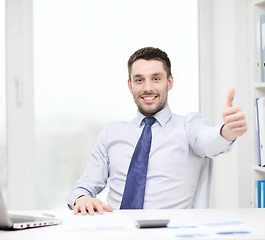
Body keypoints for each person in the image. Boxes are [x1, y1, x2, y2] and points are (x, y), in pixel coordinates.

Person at [68, 47, 247, 215]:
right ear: (130, 85)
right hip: (118, 232)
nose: (148, 88)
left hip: (169, 233)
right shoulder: (111, 133)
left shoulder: (189, 125)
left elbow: (209, 141)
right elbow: (84, 186)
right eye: (139, 80)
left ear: (169, 82)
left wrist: (228, 131)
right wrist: (82, 198)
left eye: (156, 78)